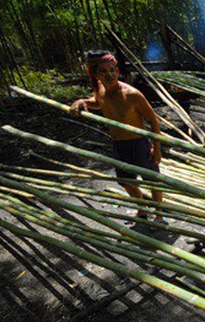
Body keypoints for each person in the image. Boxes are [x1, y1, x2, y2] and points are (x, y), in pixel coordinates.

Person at [70, 50, 166, 223]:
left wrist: (157, 149)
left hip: (139, 143)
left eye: (112, 70)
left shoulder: (132, 95)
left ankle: (160, 215)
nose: (109, 75)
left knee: (153, 181)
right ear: (96, 74)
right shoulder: (100, 89)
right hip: (118, 145)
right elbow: (98, 103)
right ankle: (142, 210)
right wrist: (82, 101)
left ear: (118, 71)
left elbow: (154, 121)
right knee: (126, 181)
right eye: (103, 71)